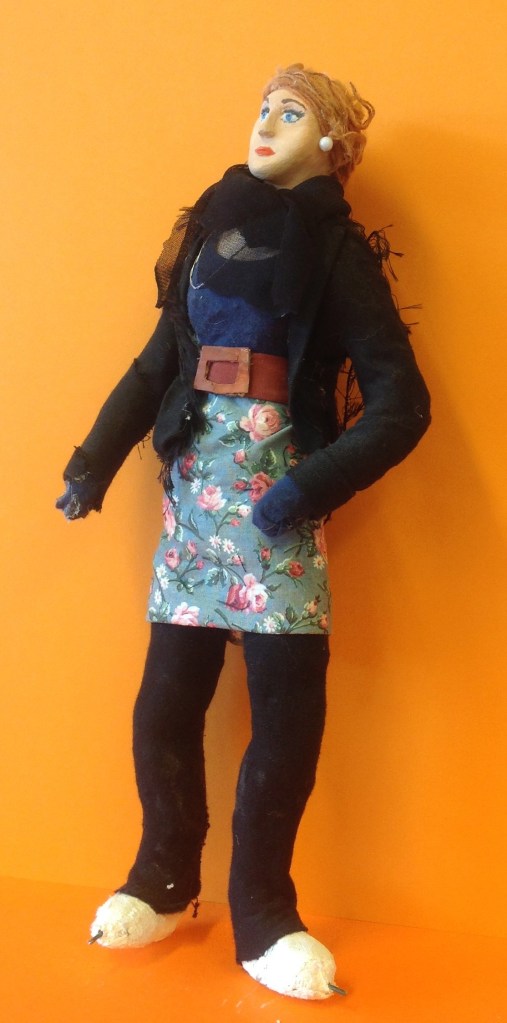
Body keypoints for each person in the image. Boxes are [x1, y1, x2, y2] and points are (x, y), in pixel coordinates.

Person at [56, 63, 430, 1000]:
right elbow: (155, 366)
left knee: (286, 713)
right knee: (164, 701)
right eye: (263, 107)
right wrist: (91, 464)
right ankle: (163, 875)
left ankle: (262, 910)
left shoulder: (335, 252)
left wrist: (305, 487)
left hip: (277, 507)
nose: (264, 122)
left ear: (331, 141)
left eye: (290, 112)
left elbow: (401, 404)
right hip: (193, 499)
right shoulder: (210, 231)